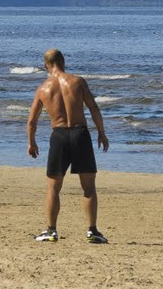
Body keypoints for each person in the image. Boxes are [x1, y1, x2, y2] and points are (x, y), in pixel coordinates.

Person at [26, 48, 110, 243]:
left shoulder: (43, 89)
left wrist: (32, 142)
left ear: (45, 65)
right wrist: (102, 133)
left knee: (53, 187)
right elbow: (94, 108)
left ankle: (51, 230)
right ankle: (92, 231)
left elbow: (32, 121)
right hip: (80, 134)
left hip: (59, 136)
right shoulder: (77, 81)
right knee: (88, 187)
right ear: (63, 62)